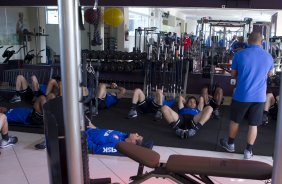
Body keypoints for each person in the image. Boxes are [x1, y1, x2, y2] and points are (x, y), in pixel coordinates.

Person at [219, 32, 274, 160]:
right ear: (262, 42)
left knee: (235, 120)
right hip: (259, 97)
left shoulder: (240, 54)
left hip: (242, 95)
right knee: (253, 124)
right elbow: (270, 74)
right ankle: (248, 151)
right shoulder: (268, 56)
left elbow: (233, 74)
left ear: (248, 41)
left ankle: (231, 144)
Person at [85, 121, 152, 155]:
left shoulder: (117, 147)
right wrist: (95, 128)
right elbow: (103, 134)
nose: (136, 133)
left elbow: (94, 149)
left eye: (137, 136)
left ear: (134, 142)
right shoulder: (124, 135)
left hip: (82, 137)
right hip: (89, 129)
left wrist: (82, 135)